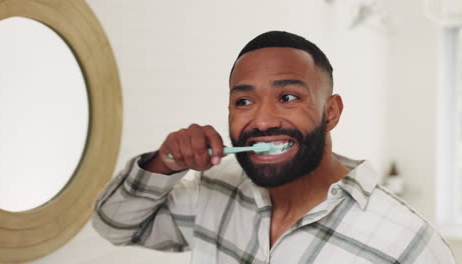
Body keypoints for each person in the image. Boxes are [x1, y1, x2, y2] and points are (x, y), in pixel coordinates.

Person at [92, 31, 455, 263]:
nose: (262, 120)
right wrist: (164, 163)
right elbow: (116, 226)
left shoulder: (407, 244)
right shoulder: (213, 190)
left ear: (331, 112)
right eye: (244, 102)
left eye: (287, 96)